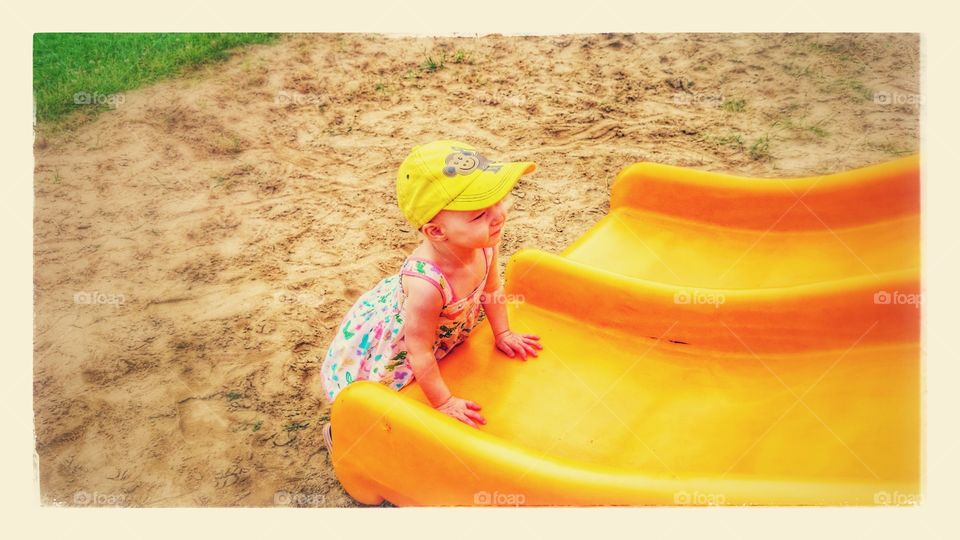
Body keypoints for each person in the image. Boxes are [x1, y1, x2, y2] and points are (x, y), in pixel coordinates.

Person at [320, 140, 542, 449]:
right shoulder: (427, 285)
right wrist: (444, 402)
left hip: (437, 332)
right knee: (384, 401)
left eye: (499, 201)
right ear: (436, 232)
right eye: (479, 215)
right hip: (402, 345)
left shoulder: (485, 245)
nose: (499, 215)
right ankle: (340, 431)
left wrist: (503, 333)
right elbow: (419, 351)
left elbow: (492, 290)